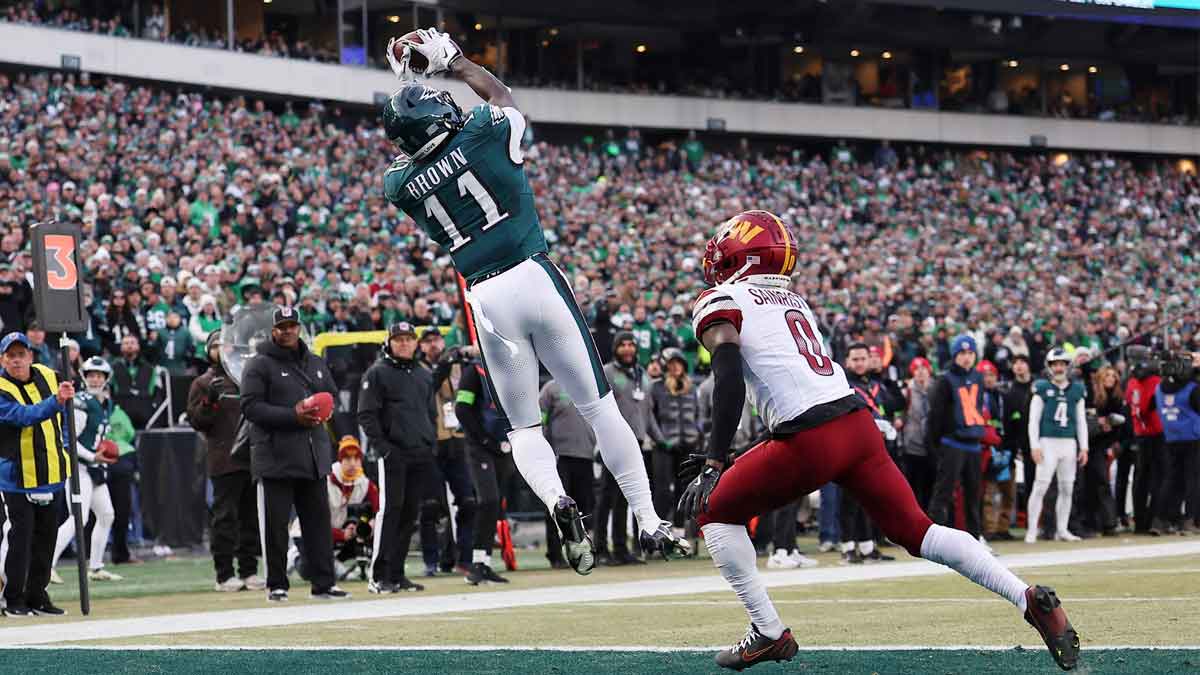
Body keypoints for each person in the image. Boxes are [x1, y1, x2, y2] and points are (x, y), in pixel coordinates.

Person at [678, 210, 1077, 671]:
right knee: (918, 531)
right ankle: (1025, 596)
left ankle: (767, 631)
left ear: (738, 255)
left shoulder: (721, 298)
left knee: (712, 510)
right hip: (856, 426)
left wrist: (715, 461)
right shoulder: (793, 303)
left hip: (810, 436)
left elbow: (728, 377)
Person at [381, 28, 686, 575]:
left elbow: (411, 136)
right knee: (599, 407)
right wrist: (456, 64)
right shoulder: (483, 130)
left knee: (524, 427)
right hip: (533, 274)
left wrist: (407, 81)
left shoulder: (399, 183)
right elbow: (500, 97)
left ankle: (557, 503)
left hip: (485, 298)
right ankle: (648, 519)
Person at [240, 306, 348, 602]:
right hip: (275, 456)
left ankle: (324, 583)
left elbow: (331, 398)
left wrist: (342, 434)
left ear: (299, 328)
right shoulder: (259, 364)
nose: (287, 331)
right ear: (273, 331)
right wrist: (292, 415)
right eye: (282, 326)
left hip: (313, 455)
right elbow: (250, 406)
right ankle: (276, 584)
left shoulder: (314, 362)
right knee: (275, 526)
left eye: (292, 325)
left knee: (318, 524)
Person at [357, 321, 436, 593]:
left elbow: (430, 414)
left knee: (409, 514)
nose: (404, 343)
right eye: (398, 339)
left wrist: (430, 443)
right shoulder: (377, 373)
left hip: (419, 453)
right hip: (393, 453)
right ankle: (378, 575)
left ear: (416, 343)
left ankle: (397, 573)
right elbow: (366, 414)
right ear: (389, 342)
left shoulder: (424, 374)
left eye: (408, 339)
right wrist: (385, 449)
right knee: (390, 512)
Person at [0, 332, 76, 616]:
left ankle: (37, 595)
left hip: (53, 471)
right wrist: (56, 401)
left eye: (21, 354)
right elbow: (23, 416)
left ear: (31, 355)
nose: (17, 360)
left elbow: (67, 408)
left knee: (47, 539)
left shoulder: (47, 374)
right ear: (2, 359)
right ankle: (13, 598)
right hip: (17, 477)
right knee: (20, 540)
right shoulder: (1, 388)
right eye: (11, 355)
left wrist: (66, 444)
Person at [187, 331, 263, 592]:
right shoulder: (203, 382)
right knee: (225, 518)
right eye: (216, 345)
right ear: (209, 350)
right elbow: (197, 421)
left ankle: (249, 570)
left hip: (251, 457)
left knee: (250, 518)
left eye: (226, 343)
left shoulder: (245, 376)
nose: (222, 348)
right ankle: (224, 574)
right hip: (223, 458)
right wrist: (209, 401)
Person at [49, 357, 123, 584]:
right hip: (80, 466)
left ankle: (96, 567)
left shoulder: (105, 402)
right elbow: (69, 438)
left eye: (99, 375)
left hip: (95, 468)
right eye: (91, 374)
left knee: (106, 514)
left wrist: (100, 454)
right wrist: (93, 456)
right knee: (78, 518)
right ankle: (47, 565)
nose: (95, 379)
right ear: (84, 376)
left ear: (106, 378)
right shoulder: (81, 402)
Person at [595, 332, 663, 566]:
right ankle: (601, 549)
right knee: (606, 498)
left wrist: (659, 438)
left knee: (627, 498)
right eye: (622, 345)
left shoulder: (642, 376)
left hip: (637, 444)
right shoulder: (607, 373)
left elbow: (648, 412)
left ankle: (622, 549)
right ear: (615, 349)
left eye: (630, 345)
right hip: (613, 442)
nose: (627, 349)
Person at [417, 328, 477, 577]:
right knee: (431, 506)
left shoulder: (457, 367)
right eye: (427, 341)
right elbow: (428, 388)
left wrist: (464, 355)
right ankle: (431, 559)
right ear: (421, 346)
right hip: (432, 443)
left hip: (457, 439)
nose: (433, 345)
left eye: (436, 340)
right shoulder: (417, 370)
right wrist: (448, 360)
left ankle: (463, 557)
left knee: (468, 501)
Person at [455, 356, 514, 585]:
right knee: (488, 500)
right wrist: (484, 439)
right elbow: (462, 408)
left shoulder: (511, 369)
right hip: (480, 446)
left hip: (503, 445)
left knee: (496, 503)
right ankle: (475, 564)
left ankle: (484, 562)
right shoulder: (475, 371)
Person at [1024, 348, 1089, 544]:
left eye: (1062, 364)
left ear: (1067, 366)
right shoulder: (1042, 388)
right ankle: (1032, 529)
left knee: (1067, 488)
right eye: (1055, 364)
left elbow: (1081, 420)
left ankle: (1062, 529)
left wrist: (1084, 446)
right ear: (1049, 367)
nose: (1059, 368)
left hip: (1068, 442)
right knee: (1041, 486)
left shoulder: (1077, 389)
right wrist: (1034, 445)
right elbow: (1033, 420)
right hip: (1047, 442)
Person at [926, 335, 987, 541]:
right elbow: (935, 415)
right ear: (954, 355)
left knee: (974, 494)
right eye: (962, 353)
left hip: (973, 443)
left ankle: (976, 537)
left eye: (970, 353)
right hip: (953, 443)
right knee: (943, 492)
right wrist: (935, 446)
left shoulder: (978, 378)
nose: (967, 357)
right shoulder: (945, 380)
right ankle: (935, 540)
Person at [540, 377, 597, 570]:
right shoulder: (551, 388)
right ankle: (555, 554)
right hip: (560, 456)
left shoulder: (587, 385)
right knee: (558, 506)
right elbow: (540, 421)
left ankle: (582, 551)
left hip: (585, 454)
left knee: (584, 506)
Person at [650, 348, 701, 529]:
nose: (676, 367)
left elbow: (697, 415)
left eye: (679, 363)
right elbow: (651, 417)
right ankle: (659, 531)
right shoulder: (656, 387)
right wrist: (661, 439)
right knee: (662, 491)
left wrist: (696, 435)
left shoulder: (692, 388)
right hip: (663, 447)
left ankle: (681, 532)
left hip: (688, 446)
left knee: (685, 490)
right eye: (672, 364)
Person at [1154, 352, 1200, 534]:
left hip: (1172, 437)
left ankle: (1160, 520)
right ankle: (1189, 520)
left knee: (1171, 480)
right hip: (1193, 436)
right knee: (1193, 480)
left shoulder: (1159, 388)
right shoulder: (1192, 388)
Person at [327, 436, 379, 580]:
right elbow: (315, 521)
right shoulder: (325, 479)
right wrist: (340, 534)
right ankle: (295, 556)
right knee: (307, 570)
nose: (352, 464)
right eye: (348, 459)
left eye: (356, 459)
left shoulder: (364, 482)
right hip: (314, 531)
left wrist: (372, 522)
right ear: (340, 461)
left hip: (344, 528)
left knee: (370, 529)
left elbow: (379, 507)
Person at [1124, 346, 1163, 534]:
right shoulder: (1154, 380)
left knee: (1143, 478)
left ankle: (1143, 521)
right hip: (1155, 432)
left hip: (1143, 433)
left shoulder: (1133, 381)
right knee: (1155, 478)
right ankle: (1150, 519)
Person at [901, 357, 935, 510]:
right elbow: (900, 416)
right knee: (913, 489)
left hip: (932, 447)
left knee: (931, 489)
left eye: (924, 369)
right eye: (917, 369)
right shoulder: (906, 392)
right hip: (912, 447)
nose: (921, 372)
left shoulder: (936, 390)